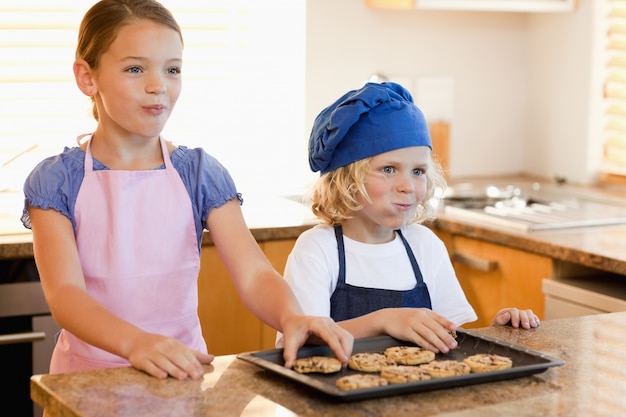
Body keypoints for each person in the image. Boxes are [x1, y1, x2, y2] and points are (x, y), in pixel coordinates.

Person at [21, 0, 352, 381]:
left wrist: (292, 315)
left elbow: (254, 274)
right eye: (134, 68)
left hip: (180, 376)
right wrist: (136, 343)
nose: (157, 85)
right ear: (87, 78)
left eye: (172, 69)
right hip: (86, 380)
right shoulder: (57, 182)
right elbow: (65, 296)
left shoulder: (198, 173)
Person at [278, 82, 539, 354]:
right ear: (346, 180)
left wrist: (496, 331)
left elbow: (453, 337)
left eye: (418, 171)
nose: (408, 186)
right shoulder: (318, 249)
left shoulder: (425, 245)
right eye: (389, 169)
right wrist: (384, 321)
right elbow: (304, 338)